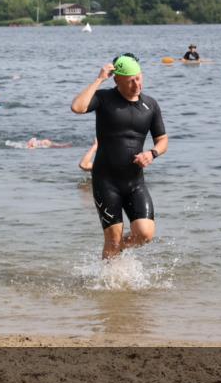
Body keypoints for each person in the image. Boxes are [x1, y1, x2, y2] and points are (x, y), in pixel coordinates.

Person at [71, 54, 168, 259]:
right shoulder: (104, 98)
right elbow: (77, 107)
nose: (136, 84)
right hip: (106, 182)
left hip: (135, 182)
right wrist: (99, 79)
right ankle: (109, 283)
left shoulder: (150, 105)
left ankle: (116, 251)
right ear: (117, 80)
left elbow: (163, 140)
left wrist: (152, 153)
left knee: (145, 234)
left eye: (139, 78)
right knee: (112, 239)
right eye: (130, 81)